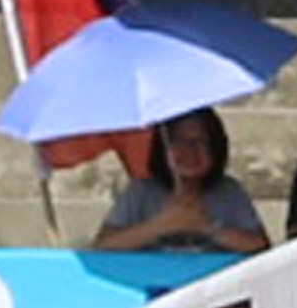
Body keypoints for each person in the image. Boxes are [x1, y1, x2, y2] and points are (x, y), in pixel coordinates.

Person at [92, 110, 268, 258]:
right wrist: (161, 225)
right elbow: (102, 246)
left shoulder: (229, 191)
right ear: (164, 148)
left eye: (201, 142)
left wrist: (207, 227)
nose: (191, 151)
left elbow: (261, 248)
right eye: (180, 141)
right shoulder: (141, 190)